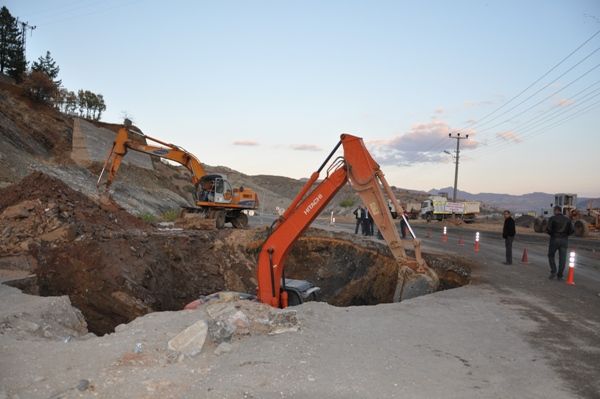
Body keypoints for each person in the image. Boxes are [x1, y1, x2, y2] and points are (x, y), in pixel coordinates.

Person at [546, 206, 574, 280]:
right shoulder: (567, 219)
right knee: (562, 259)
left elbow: (548, 229)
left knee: (551, 255)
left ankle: (553, 271)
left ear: (555, 211)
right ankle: (560, 275)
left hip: (554, 239)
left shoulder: (552, 218)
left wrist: (552, 234)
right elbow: (572, 230)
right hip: (564, 240)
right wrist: (565, 235)